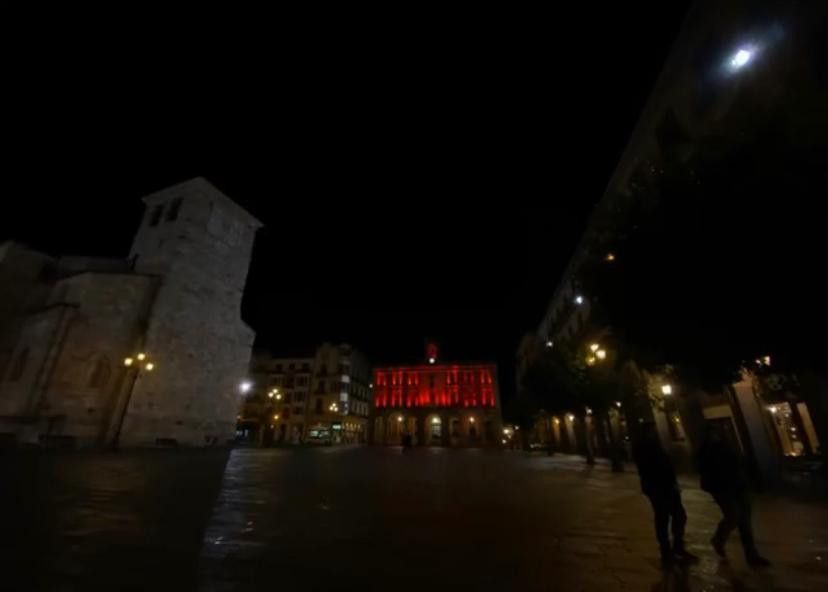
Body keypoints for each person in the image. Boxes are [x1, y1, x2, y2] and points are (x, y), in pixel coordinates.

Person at [697, 424, 771, 567]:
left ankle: (751, 555)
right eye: (712, 434)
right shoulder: (706, 452)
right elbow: (707, 472)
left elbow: (740, 462)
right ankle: (719, 539)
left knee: (745, 522)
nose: (715, 437)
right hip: (723, 489)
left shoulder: (727, 447)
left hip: (738, 486)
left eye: (716, 434)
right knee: (734, 516)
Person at [633, 421, 698, 567]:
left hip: (663, 486)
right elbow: (656, 467)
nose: (655, 432)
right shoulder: (646, 447)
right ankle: (669, 550)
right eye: (653, 430)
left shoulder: (650, 445)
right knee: (665, 518)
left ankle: (675, 548)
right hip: (659, 487)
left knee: (676, 515)